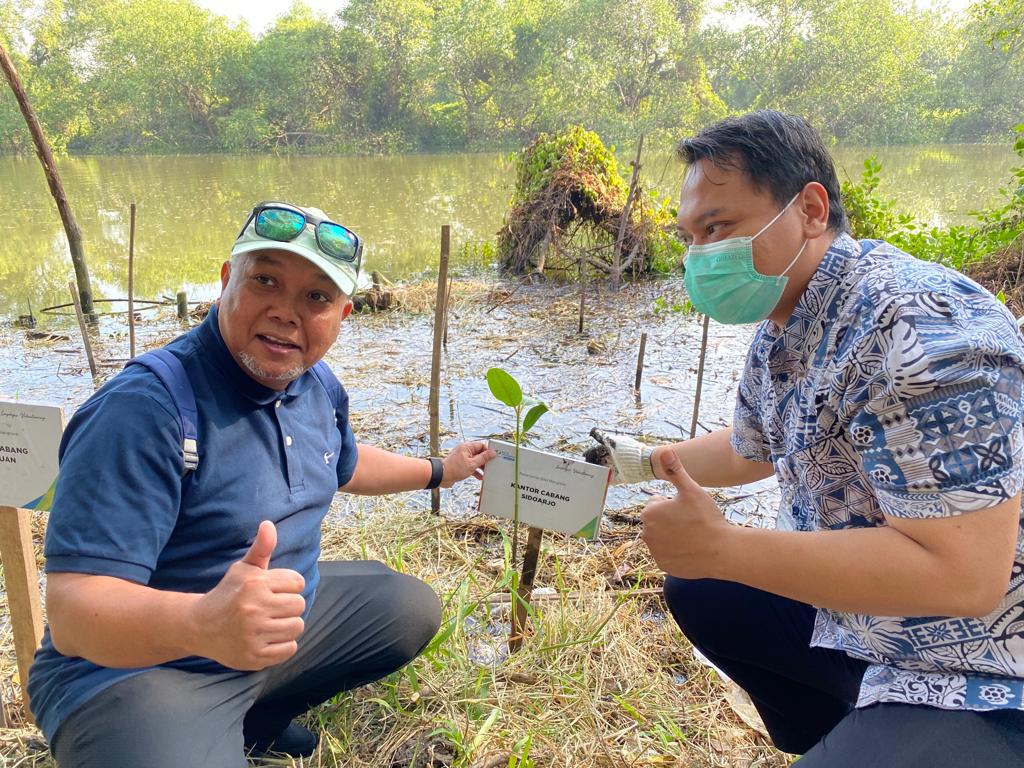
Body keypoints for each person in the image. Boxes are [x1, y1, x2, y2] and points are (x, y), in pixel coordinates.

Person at [587, 111, 1024, 765]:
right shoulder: (787, 323)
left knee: (716, 567)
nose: (700, 256)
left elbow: (965, 577)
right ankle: (843, 729)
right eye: (689, 237)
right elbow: (749, 448)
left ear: (810, 210)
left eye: (718, 228)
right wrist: (635, 462)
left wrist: (726, 546)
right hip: (866, 623)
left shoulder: (920, 327)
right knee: (701, 589)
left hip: (979, 663)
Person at [28, 201, 496, 768]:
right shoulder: (143, 410)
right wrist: (202, 624)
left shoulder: (315, 385)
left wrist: (441, 470)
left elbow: (345, 465)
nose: (285, 312)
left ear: (342, 315)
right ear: (226, 280)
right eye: (266, 280)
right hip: (137, 670)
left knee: (406, 608)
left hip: (263, 636)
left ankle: (255, 720)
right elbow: (75, 613)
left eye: (316, 297)